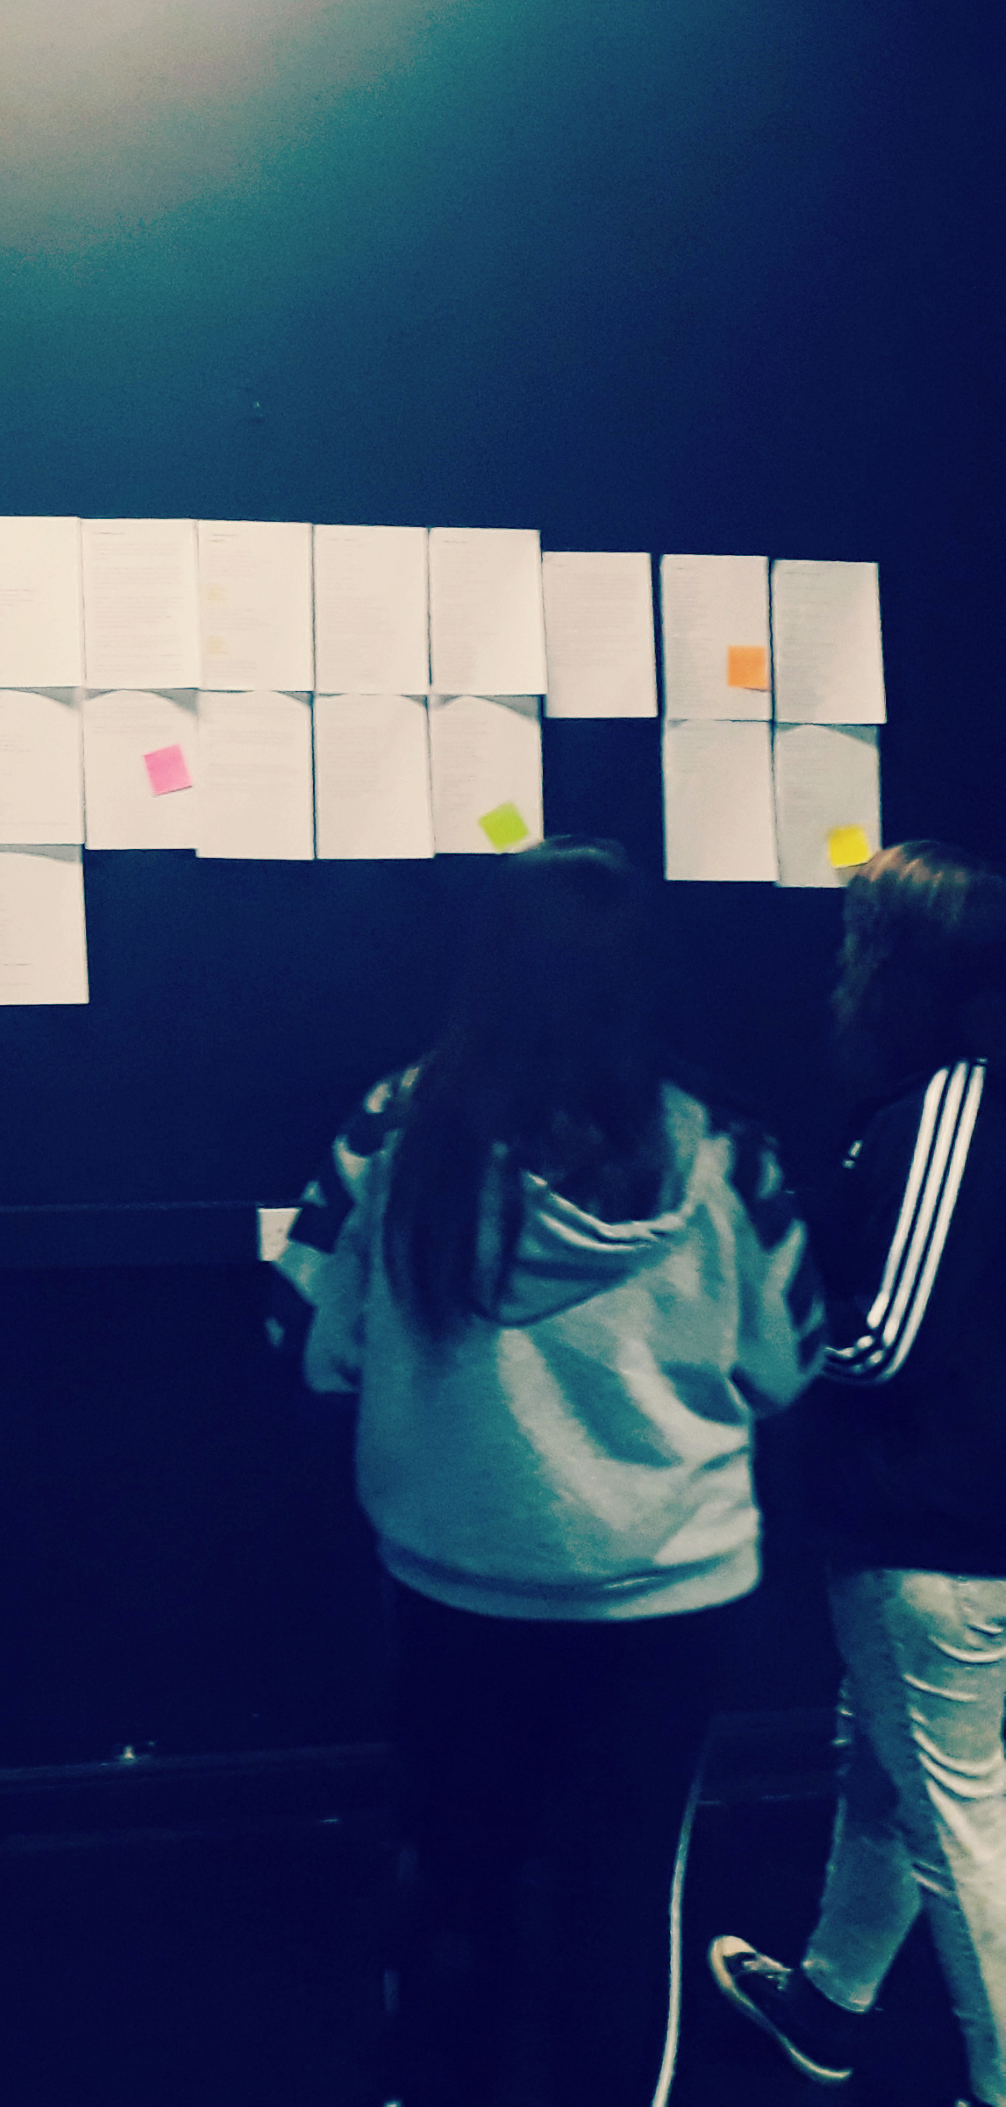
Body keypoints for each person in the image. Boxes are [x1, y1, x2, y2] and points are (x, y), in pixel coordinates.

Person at [271, 837, 825, 2107]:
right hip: (665, 1597)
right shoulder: (725, 1152)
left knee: (454, 1876)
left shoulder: (392, 1130)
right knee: (619, 1900)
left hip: (453, 1582)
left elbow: (311, 1339)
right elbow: (791, 1364)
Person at [709, 840, 1006, 2107]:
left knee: (959, 1818)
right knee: (888, 1769)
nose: (842, 963)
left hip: (929, 1530)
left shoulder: (951, 1110)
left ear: (905, 962)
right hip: (961, 1524)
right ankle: (828, 2002)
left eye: (858, 939)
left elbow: (884, 1343)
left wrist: (766, 1333)